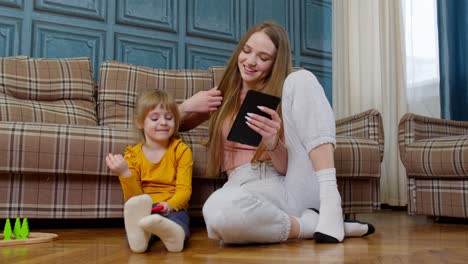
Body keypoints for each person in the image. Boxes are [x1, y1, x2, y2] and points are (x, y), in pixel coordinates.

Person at [178, 21, 374, 244]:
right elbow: (166, 126)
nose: (251, 62)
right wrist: (185, 107)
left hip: (293, 181)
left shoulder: (287, 94)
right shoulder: (222, 97)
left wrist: (272, 143)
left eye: (263, 58)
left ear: (275, 64)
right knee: (216, 211)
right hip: (245, 187)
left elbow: (283, 167)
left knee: (302, 77)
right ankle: (311, 225)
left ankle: (331, 201)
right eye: (247, 51)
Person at [106, 89, 192, 253]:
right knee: (140, 222)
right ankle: (141, 240)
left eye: (169, 118)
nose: (163, 123)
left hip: (172, 207)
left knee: (179, 221)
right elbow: (134, 199)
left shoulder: (181, 150)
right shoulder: (133, 155)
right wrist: (124, 173)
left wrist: (170, 205)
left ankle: (175, 236)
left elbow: (184, 190)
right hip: (145, 208)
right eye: (154, 118)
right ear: (140, 122)